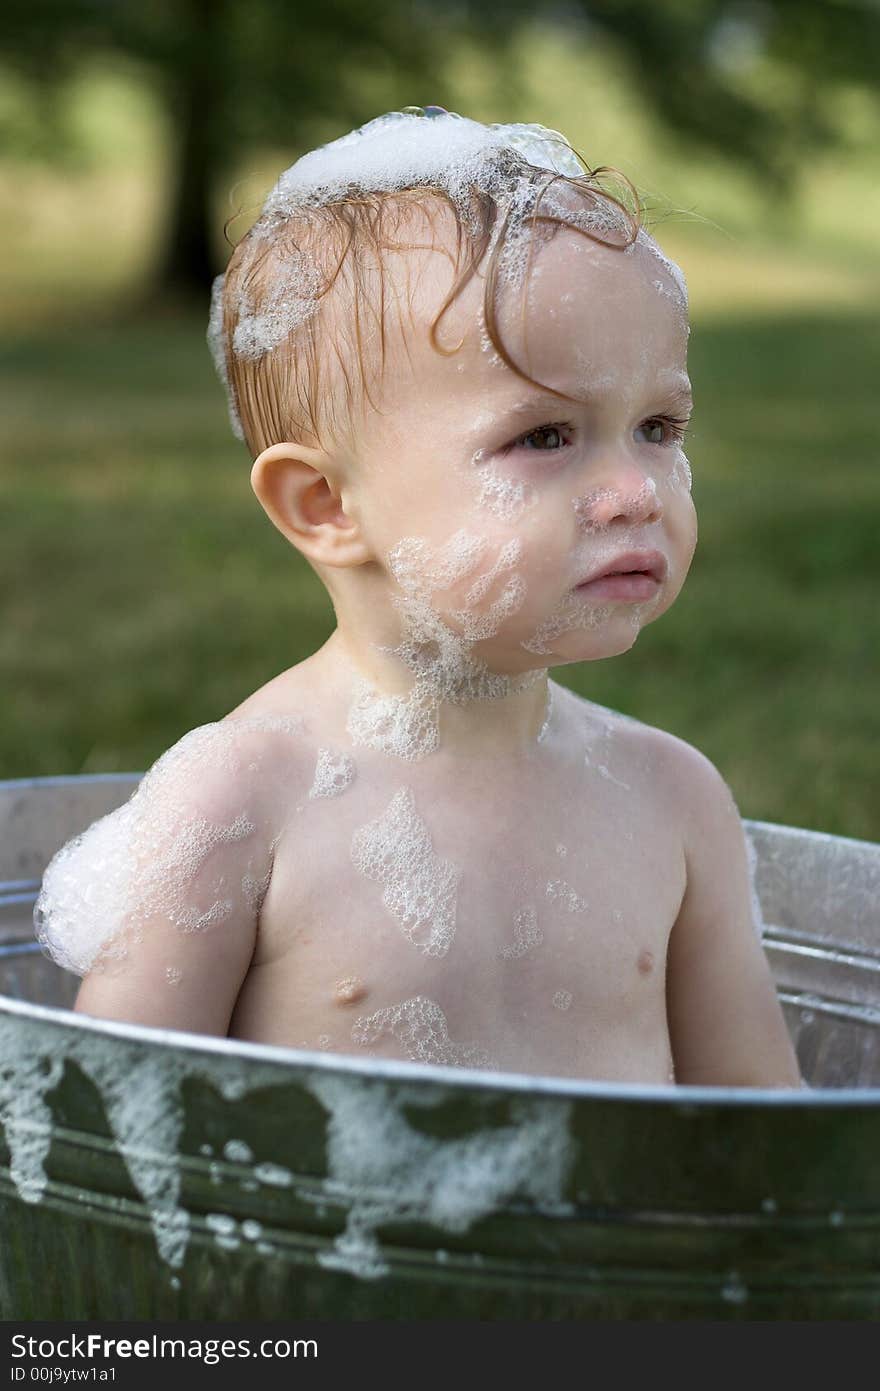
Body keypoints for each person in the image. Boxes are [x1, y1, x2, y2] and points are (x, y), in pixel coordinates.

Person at [35, 108, 803, 1088]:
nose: (637, 491)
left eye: (657, 425)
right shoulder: (241, 799)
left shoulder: (672, 798)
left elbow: (764, 1140)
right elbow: (112, 1129)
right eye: (545, 437)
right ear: (325, 506)